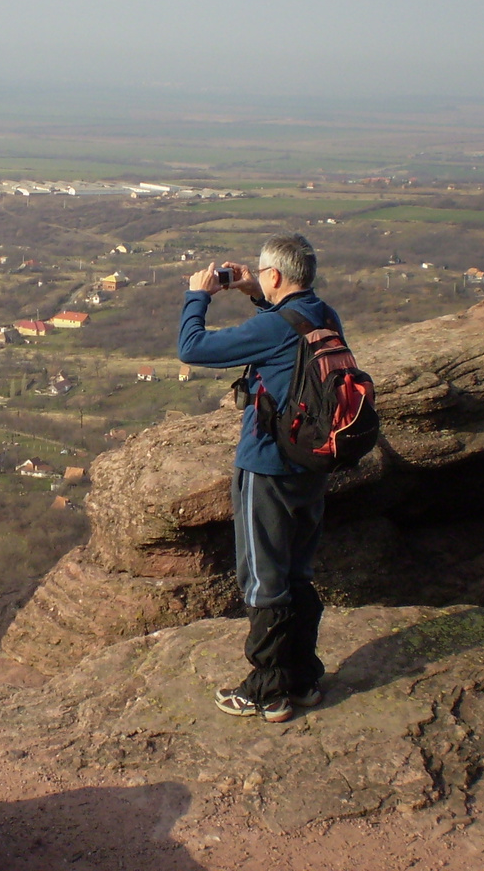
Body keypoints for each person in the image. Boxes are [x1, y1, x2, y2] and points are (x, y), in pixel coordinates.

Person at [178, 233, 341, 723]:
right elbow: (282, 326)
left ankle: (267, 690)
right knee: (297, 572)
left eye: (263, 277)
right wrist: (255, 291)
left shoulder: (277, 328)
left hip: (267, 464)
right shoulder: (324, 314)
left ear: (275, 275)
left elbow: (193, 347)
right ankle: (304, 676)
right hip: (311, 462)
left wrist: (198, 295)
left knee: (261, 578)